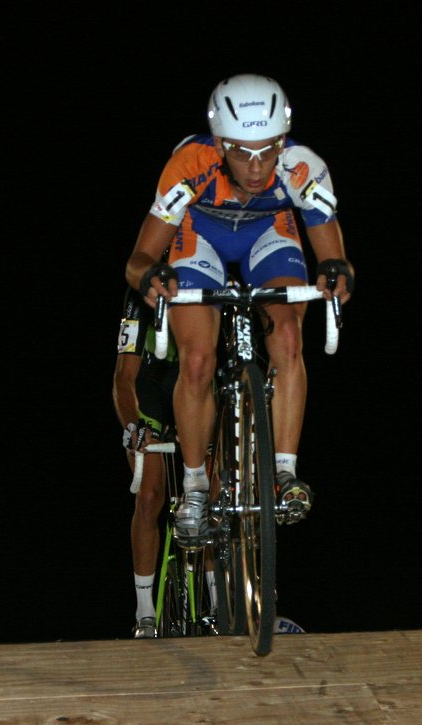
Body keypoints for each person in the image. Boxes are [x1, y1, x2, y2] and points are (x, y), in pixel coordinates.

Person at [124, 74, 354, 545]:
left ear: (284, 141)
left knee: (288, 336)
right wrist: (151, 277)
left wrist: (336, 273)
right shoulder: (190, 163)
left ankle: (284, 476)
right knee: (196, 358)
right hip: (199, 237)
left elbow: (332, 256)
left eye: (269, 149)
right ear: (220, 142)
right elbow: (138, 260)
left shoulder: (303, 167)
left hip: (268, 235)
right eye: (242, 152)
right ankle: (194, 488)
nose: (257, 166)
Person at [114, 285, 179, 638]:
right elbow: (123, 377)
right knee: (150, 497)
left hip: (195, 391)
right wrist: (132, 426)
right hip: (150, 397)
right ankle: (145, 613)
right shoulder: (141, 296)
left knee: (218, 495)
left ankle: (220, 599)